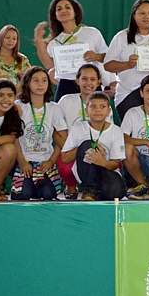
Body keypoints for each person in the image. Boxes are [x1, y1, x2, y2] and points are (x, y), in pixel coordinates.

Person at [33, 0, 110, 101]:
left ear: (75, 12)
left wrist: (96, 56)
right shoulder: (55, 42)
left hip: (89, 83)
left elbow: (108, 57)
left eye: (67, 7)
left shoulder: (92, 33)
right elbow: (49, 65)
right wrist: (38, 41)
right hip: (66, 84)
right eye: (59, 9)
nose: (63, 10)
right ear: (55, 15)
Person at [104, 0, 149, 121]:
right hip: (128, 93)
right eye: (142, 13)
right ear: (134, 15)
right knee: (134, 135)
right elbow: (108, 65)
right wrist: (128, 64)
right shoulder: (121, 37)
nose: (147, 17)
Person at [57, 64, 113, 199]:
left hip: (98, 149)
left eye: (93, 79)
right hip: (72, 150)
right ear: (77, 81)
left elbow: (108, 132)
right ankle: (70, 186)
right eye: (85, 79)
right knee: (65, 167)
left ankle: (94, 189)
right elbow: (56, 129)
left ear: (99, 82)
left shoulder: (104, 103)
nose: (89, 83)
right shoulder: (66, 100)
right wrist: (66, 147)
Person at [12, 67, 67, 200]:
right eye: (35, 80)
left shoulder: (54, 108)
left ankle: (38, 186)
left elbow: (63, 139)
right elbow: (13, 138)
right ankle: (30, 186)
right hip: (25, 160)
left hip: (45, 162)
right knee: (23, 195)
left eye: (44, 81)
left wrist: (51, 161)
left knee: (48, 194)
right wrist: (22, 162)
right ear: (27, 83)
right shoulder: (18, 106)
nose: (40, 84)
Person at [61, 91, 126, 201]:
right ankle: (89, 190)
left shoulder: (116, 130)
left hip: (106, 169)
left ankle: (98, 193)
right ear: (86, 111)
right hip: (86, 171)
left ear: (109, 111)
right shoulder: (78, 127)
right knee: (88, 144)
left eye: (102, 107)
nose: (98, 110)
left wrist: (101, 161)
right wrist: (87, 147)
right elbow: (65, 158)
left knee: (116, 193)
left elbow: (115, 163)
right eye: (93, 106)